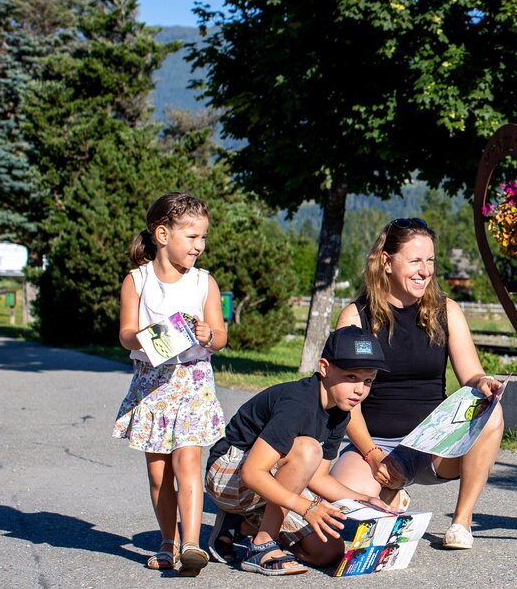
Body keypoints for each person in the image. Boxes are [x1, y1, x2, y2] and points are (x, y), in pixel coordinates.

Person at [329, 217, 505, 551]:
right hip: (375, 446)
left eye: (430, 261)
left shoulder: (447, 310)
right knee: (343, 530)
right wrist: (372, 455)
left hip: (433, 445)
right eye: (415, 261)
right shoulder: (355, 317)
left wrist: (484, 383)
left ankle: (461, 523)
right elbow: (343, 400)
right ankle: (392, 497)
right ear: (387, 262)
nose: (425, 271)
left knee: (491, 414)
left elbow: (471, 375)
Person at [204, 325, 389, 576]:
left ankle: (243, 525)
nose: (360, 389)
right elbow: (252, 473)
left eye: (368, 381)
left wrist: (363, 500)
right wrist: (305, 507)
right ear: (324, 368)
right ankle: (261, 545)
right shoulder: (298, 404)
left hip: (269, 478)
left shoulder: (341, 411)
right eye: (352, 377)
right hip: (229, 475)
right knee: (308, 449)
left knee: (328, 552)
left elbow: (319, 477)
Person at [113, 192, 227, 577]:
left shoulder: (203, 282)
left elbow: (221, 336)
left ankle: (192, 544)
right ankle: (167, 542)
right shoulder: (138, 280)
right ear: (162, 234)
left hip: (193, 380)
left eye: (203, 238)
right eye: (192, 237)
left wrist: (209, 333)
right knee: (158, 473)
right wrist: (143, 336)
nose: (200, 246)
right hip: (152, 383)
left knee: (187, 460)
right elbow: (125, 334)